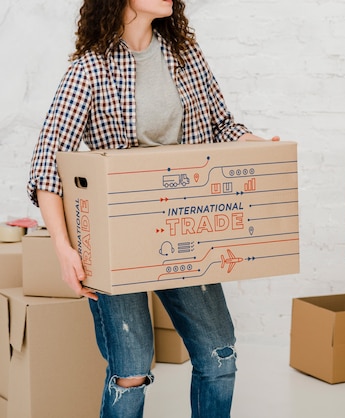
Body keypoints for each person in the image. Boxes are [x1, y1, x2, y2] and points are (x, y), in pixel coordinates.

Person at [27, 0, 277, 416]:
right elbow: (48, 165)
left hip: (185, 228)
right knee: (131, 369)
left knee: (219, 356)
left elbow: (222, 126)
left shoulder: (185, 57)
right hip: (117, 239)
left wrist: (258, 145)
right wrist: (63, 248)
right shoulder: (90, 69)